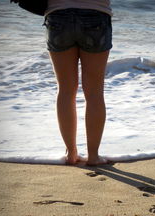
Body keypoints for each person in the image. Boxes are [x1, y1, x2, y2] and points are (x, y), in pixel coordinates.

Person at [44, 0, 112, 165]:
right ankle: (93, 156)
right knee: (94, 92)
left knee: (66, 90)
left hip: (58, 15)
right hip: (95, 14)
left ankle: (71, 153)